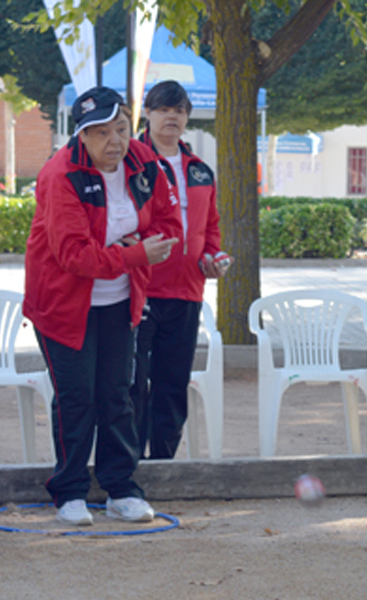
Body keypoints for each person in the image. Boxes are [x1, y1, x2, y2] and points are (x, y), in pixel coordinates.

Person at [23, 86, 181, 526]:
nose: (115, 140)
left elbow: (168, 224)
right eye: (101, 132)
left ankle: (121, 488)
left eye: (121, 128)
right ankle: (69, 491)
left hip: (118, 299)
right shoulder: (60, 175)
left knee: (117, 395)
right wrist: (134, 253)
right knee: (77, 397)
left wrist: (133, 250)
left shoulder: (145, 163)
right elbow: (74, 256)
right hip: (62, 304)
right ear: (81, 136)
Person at [131, 80, 232, 459]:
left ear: (187, 117)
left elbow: (211, 229)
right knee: (134, 384)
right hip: (139, 291)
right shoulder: (131, 162)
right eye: (163, 109)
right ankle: (132, 466)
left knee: (173, 385)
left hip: (187, 292)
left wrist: (212, 257)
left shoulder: (201, 171)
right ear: (149, 114)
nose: (171, 116)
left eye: (179, 110)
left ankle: (164, 465)